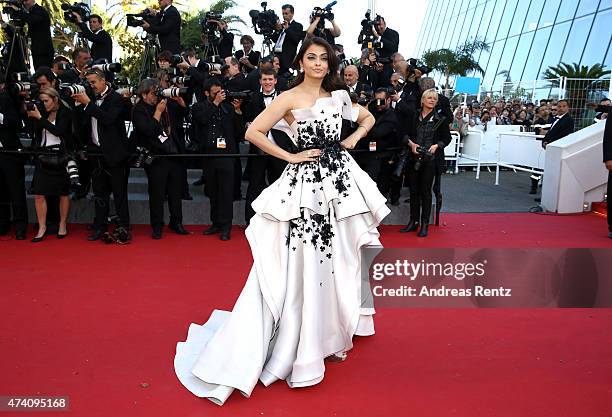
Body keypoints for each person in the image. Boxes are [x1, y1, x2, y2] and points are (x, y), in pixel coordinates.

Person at [174, 37, 389, 405]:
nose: (319, 64)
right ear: (301, 62)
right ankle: (302, 337)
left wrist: (354, 136)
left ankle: (328, 331)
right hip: (306, 189)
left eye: (324, 58)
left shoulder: (339, 96)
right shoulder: (288, 97)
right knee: (307, 261)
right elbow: (252, 131)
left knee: (340, 258)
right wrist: (289, 157)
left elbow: (368, 117)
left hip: (340, 183)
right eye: (312, 58)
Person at [72, 69, 131, 241]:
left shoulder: (116, 98)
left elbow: (108, 119)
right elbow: (81, 126)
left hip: (115, 154)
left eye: (93, 82)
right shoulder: (87, 99)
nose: (91, 86)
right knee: (99, 193)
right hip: (95, 153)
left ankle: (123, 227)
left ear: (103, 80)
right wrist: (79, 107)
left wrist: (88, 104)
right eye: (89, 83)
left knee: (119, 194)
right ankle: (100, 227)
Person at [132, 78, 188, 239]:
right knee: (157, 194)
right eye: (153, 93)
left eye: (158, 91)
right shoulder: (139, 109)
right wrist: (157, 112)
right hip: (155, 157)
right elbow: (148, 130)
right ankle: (157, 226)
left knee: (175, 192)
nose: (156, 95)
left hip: (173, 153)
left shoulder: (165, 103)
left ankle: (176, 222)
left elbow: (184, 115)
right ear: (144, 94)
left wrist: (180, 101)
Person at [191, 78, 244, 241]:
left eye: (220, 92)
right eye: (215, 93)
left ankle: (226, 226)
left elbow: (238, 132)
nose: (218, 96)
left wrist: (238, 112)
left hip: (227, 155)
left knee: (226, 193)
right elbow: (202, 120)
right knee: (212, 192)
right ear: (207, 93)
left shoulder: (228, 107)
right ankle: (216, 223)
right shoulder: (199, 107)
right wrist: (215, 104)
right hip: (208, 155)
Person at [243, 67, 296, 224]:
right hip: (258, 150)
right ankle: (250, 221)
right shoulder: (253, 99)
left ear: (275, 81)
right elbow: (246, 120)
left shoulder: (284, 98)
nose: (267, 82)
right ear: (260, 81)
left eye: (270, 79)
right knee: (254, 186)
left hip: (280, 149)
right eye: (264, 79)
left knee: (281, 185)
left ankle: (281, 220)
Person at [399, 88, 451, 237]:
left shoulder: (441, 119)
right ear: (422, 100)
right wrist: (411, 145)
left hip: (431, 160)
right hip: (413, 158)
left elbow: (447, 138)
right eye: (429, 98)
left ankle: (424, 224)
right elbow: (403, 134)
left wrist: (436, 146)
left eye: (434, 98)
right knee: (413, 191)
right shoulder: (413, 116)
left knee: (426, 192)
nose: (432, 100)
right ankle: (413, 222)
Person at [26, 88, 74, 242]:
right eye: (42, 101)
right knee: (39, 194)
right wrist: (33, 117)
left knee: (63, 193)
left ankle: (62, 224)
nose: (43, 104)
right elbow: (33, 131)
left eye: (46, 101)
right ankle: (42, 227)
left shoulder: (65, 112)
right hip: (43, 156)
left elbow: (59, 131)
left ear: (55, 99)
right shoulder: (41, 112)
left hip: (60, 156)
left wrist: (40, 118)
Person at [0, 73, 28, 240]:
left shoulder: (7, 98)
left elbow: (16, 123)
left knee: (16, 191)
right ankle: (3, 224)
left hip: (9, 152)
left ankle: (20, 226)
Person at [8, 0, 54, 69]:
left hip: (43, 51)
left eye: (26, 0)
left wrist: (18, 11)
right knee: (38, 72)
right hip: (37, 50)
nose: (24, 3)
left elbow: (32, 19)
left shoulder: (40, 10)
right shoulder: (31, 12)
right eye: (23, 1)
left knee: (44, 73)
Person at [272, 4, 303, 75]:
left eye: (286, 13)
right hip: (276, 56)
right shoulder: (281, 26)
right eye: (283, 13)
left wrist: (287, 29)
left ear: (292, 14)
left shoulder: (298, 25)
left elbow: (296, 39)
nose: (284, 15)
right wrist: (277, 30)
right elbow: (274, 40)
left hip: (287, 59)